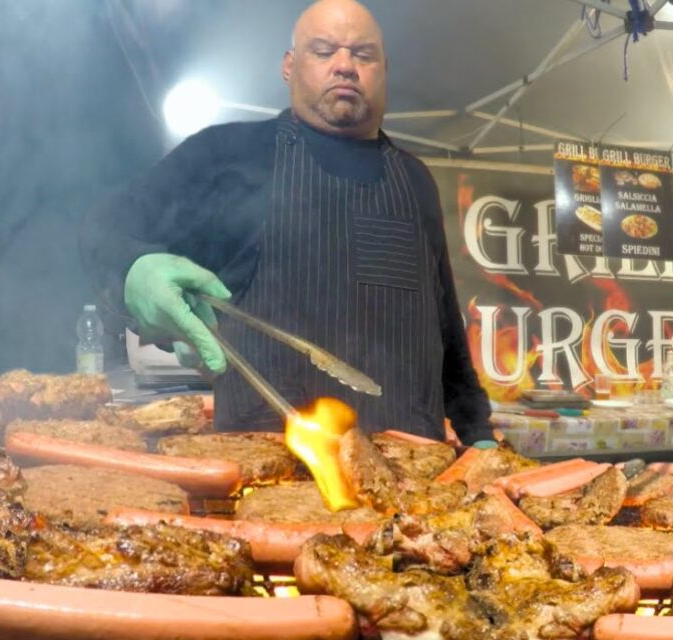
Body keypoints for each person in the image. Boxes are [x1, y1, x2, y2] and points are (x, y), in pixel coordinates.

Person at [82, 0, 498, 445]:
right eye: (324, 51)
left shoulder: (415, 181)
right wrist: (134, 269)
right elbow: (105, 226)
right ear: (289, 66)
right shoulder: (228, 156)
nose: (345, 65)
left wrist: (477, 433)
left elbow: (445, 332)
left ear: (384, 70)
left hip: (411, 474)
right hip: (268, 473)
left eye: (363, 54)